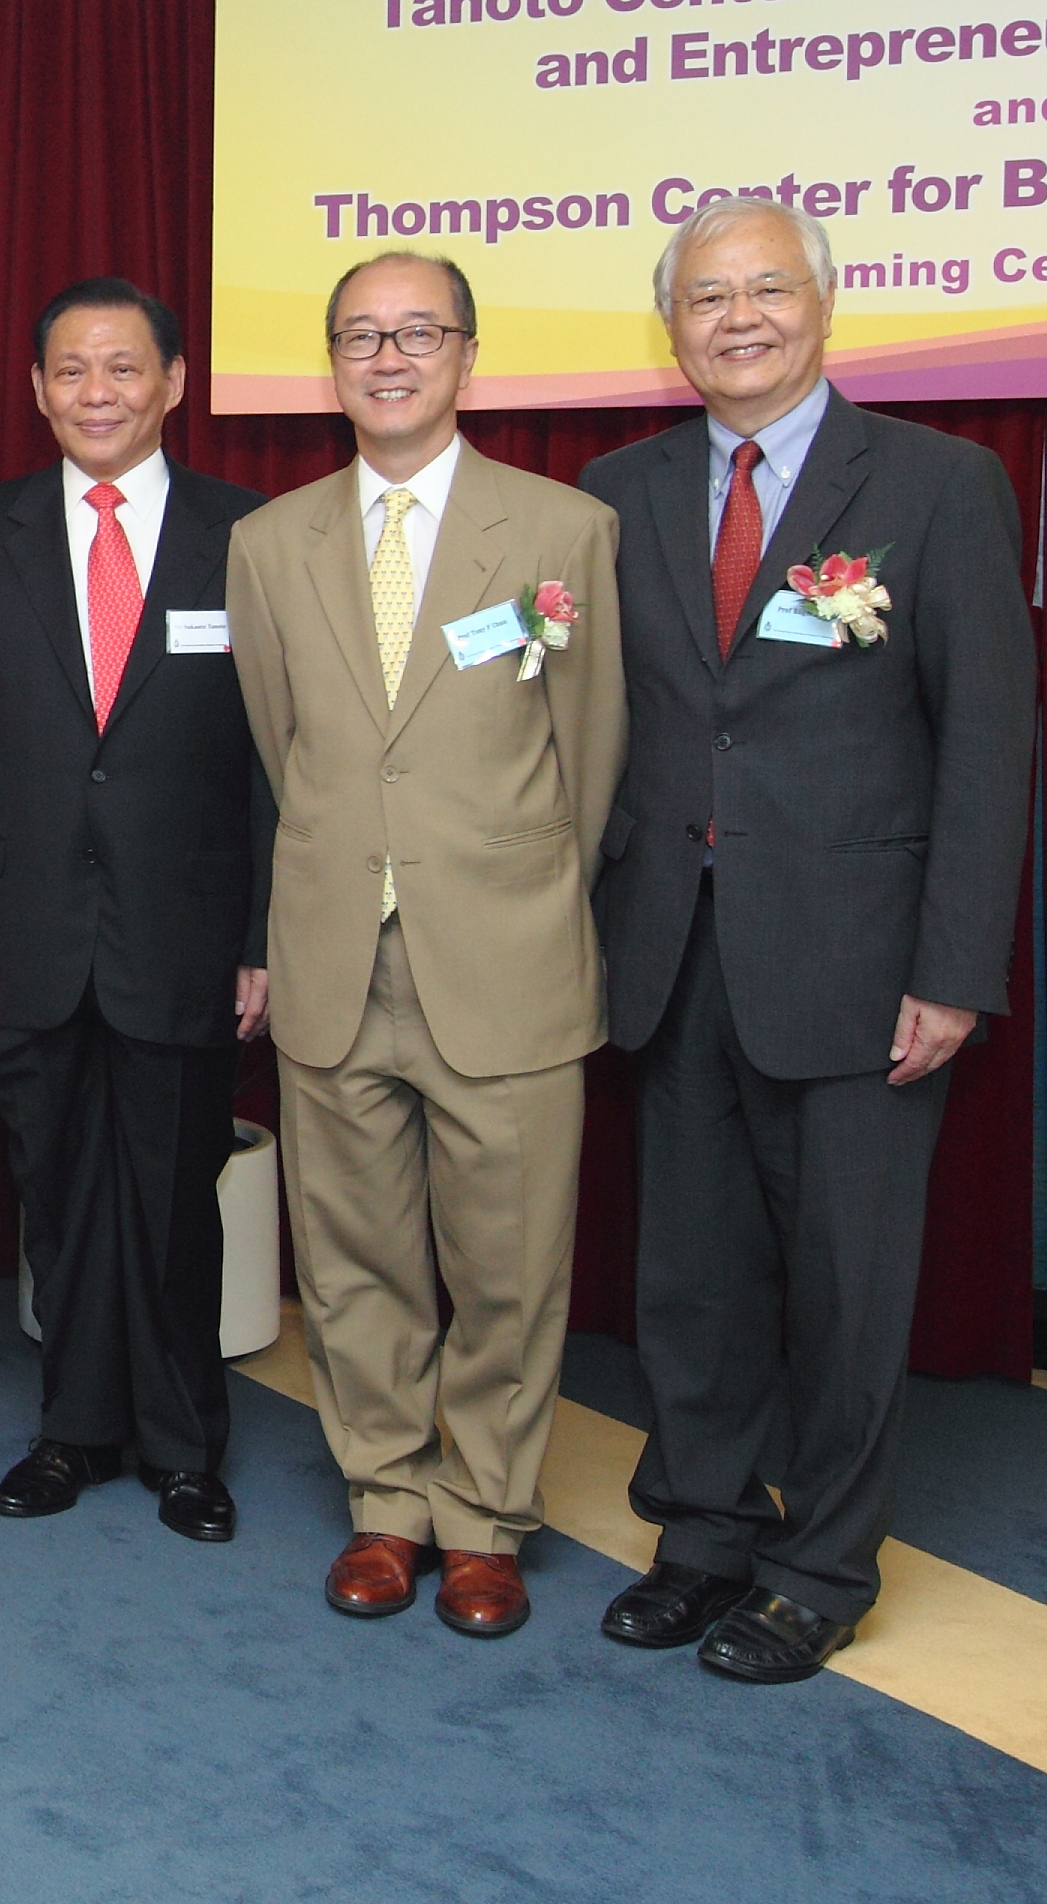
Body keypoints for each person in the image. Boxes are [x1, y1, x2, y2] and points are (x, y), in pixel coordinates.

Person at [577, 197, 1035, 1684]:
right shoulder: (616, 491)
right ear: (673, 329)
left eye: (767, 290)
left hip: (859, 958)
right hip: (669, 948)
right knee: (691, 1278)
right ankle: (703, 1534)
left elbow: (987, 742)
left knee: (848, 1285)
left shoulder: (937, 483)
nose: (739, 318)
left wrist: (957, 966)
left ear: (825, 305)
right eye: (707, 298)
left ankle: (823, 1565)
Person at [227, 252, 625, 1640]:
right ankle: (386, 1507)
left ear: (467, 357)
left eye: (417, 334)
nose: (387, 359)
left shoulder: (566, 533)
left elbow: (598, 760)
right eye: (359, 337)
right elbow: (286, 749)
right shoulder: (272, 543)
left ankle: (485, 1521)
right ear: (329, 364)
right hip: (337, 956)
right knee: (351, 1263)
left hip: (506, 961)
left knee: (510, 1267)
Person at [0, 278, 271, 1542]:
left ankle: (185, 1447)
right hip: (26, 931)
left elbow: (282, 757)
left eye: (124, 369)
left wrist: (260, 937)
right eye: (72, 371)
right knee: (57, 1197)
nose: (98, 393)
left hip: (187, 931)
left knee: (178, 1200)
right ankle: (73, 1431)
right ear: (37, 390)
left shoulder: (252, 536)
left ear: (174, 383)